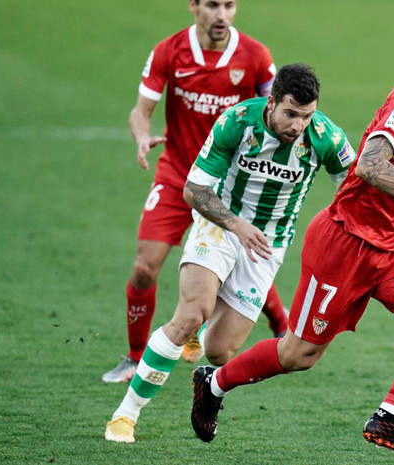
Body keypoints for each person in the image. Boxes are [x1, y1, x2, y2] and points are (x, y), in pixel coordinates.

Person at [190, 15, 394, 460]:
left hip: (391, 246)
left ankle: (390, 417)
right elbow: (369, 164)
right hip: (344, 243)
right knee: (298, 355)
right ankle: (213, 383)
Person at [104, 63, 356, 443]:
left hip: (268, 246)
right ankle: (126, 415)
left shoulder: (325, 137)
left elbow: (356, 186)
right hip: (220, 225)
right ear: (271, 103)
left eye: (306, 116)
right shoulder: (236, 122)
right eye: (290, 114)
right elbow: (194, 190)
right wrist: (237, 226)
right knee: (190, 315)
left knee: (221, 352)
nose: (298, 125)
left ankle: (199, 336)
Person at [102, 0, 290, 384]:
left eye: (229, 5)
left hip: (232, 184)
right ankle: (135, 357)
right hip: (177, 176)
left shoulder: (255, 56)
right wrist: (141, 137)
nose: (221, 14)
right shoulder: (169, 51)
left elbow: (279, 112)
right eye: (212, 5)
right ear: (194, 6)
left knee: (247, 257)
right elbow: (141, 111)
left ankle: (281, 326)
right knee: (144, 267)